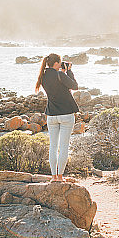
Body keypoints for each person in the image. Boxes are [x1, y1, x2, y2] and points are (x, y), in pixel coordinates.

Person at [35, 53, 79, 182]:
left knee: (53, 146)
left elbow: (57, 86)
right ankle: (60, 177)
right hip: (66, 114)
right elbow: (74, 86)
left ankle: (53, 176)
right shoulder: (60, 75)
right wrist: (69, 72)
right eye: (59, 63)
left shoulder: (43, 77)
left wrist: (63, 72)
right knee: (64, 146)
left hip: (52, 115)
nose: (61, 65)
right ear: (56, 64)